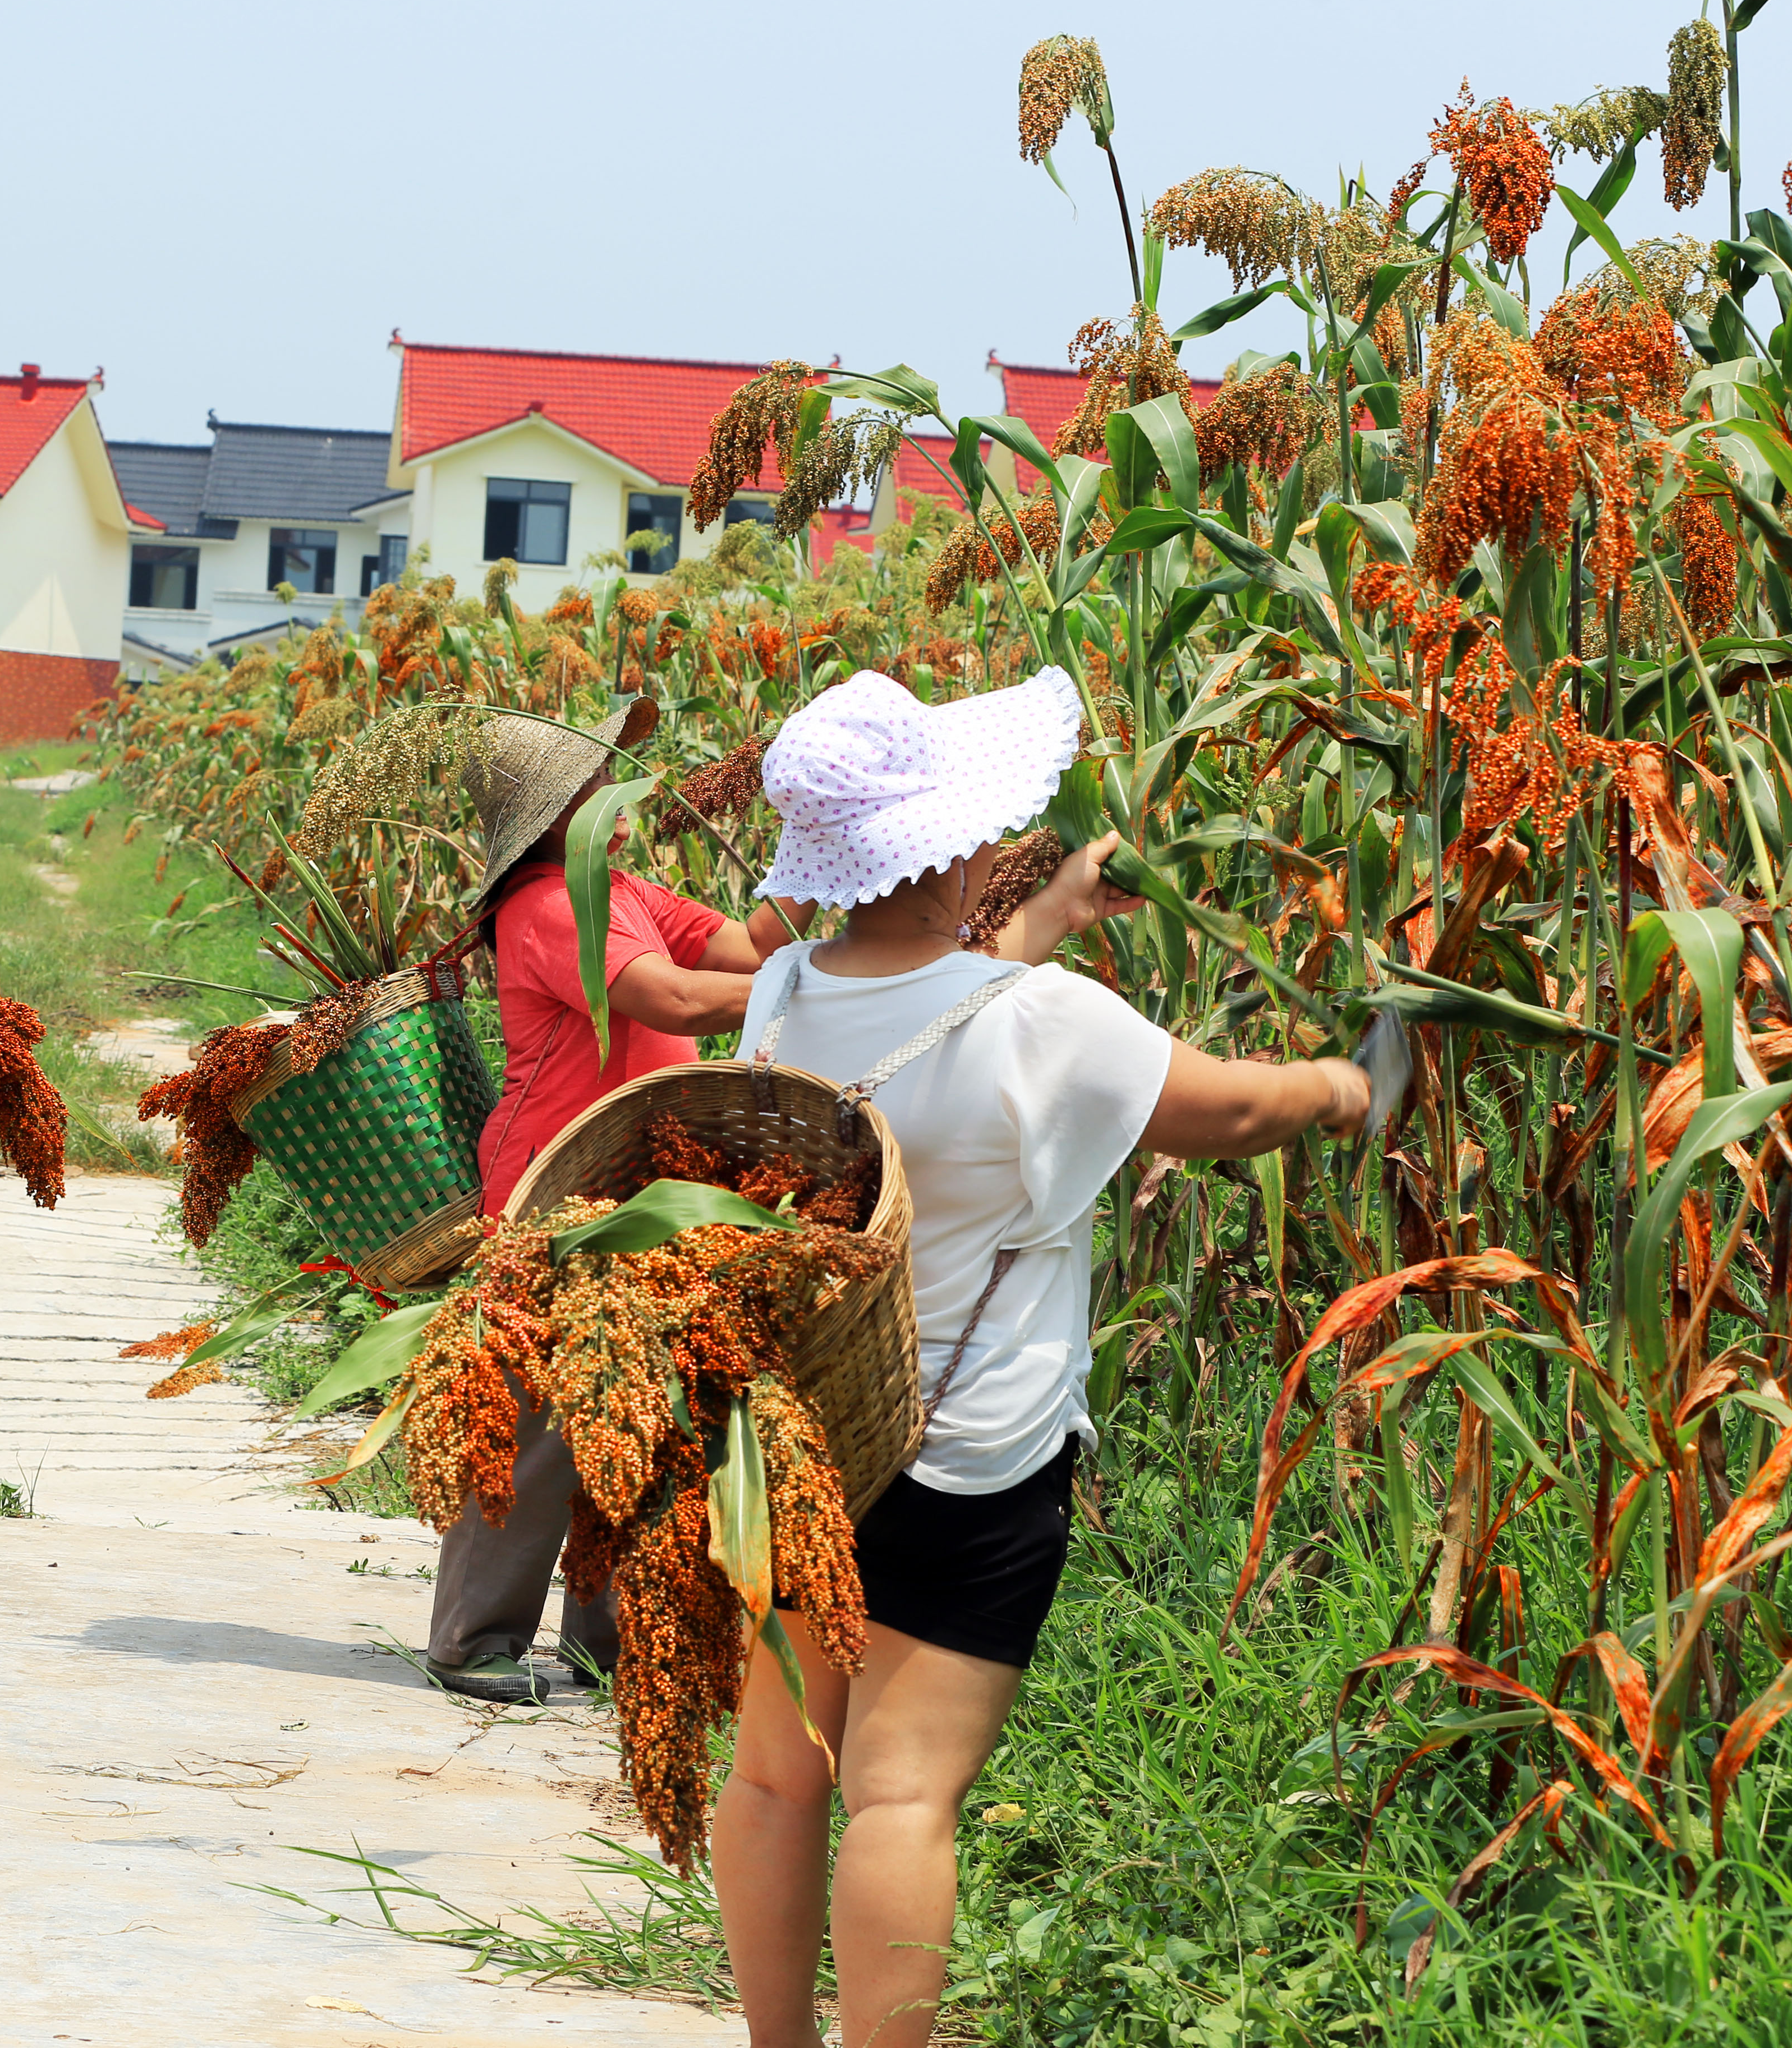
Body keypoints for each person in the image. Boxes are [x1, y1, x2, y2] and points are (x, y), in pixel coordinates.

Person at [705, 667, 1370, 2048]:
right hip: (970, 1454)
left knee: (777, 1780)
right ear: (952, 844)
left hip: (797, 1441)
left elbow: (937, 1017)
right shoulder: (1046, 1024)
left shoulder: (778, 993)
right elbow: (1226, 1112)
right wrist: (1342, 1086)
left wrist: (1051, 914)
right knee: (902, 1796)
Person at [421, 696, 806, 1705]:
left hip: (642, 1188)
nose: (614, 791)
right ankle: (473, 1641)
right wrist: (830, 989)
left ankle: (607, 1639)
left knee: (633, 1409)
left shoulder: (625, 888)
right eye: (593, 783)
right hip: (555, 1187)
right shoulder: (548, 905)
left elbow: (746, 950)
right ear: (550, 817)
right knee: (538, 1420)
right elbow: (670, 1001)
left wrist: (818, 858)